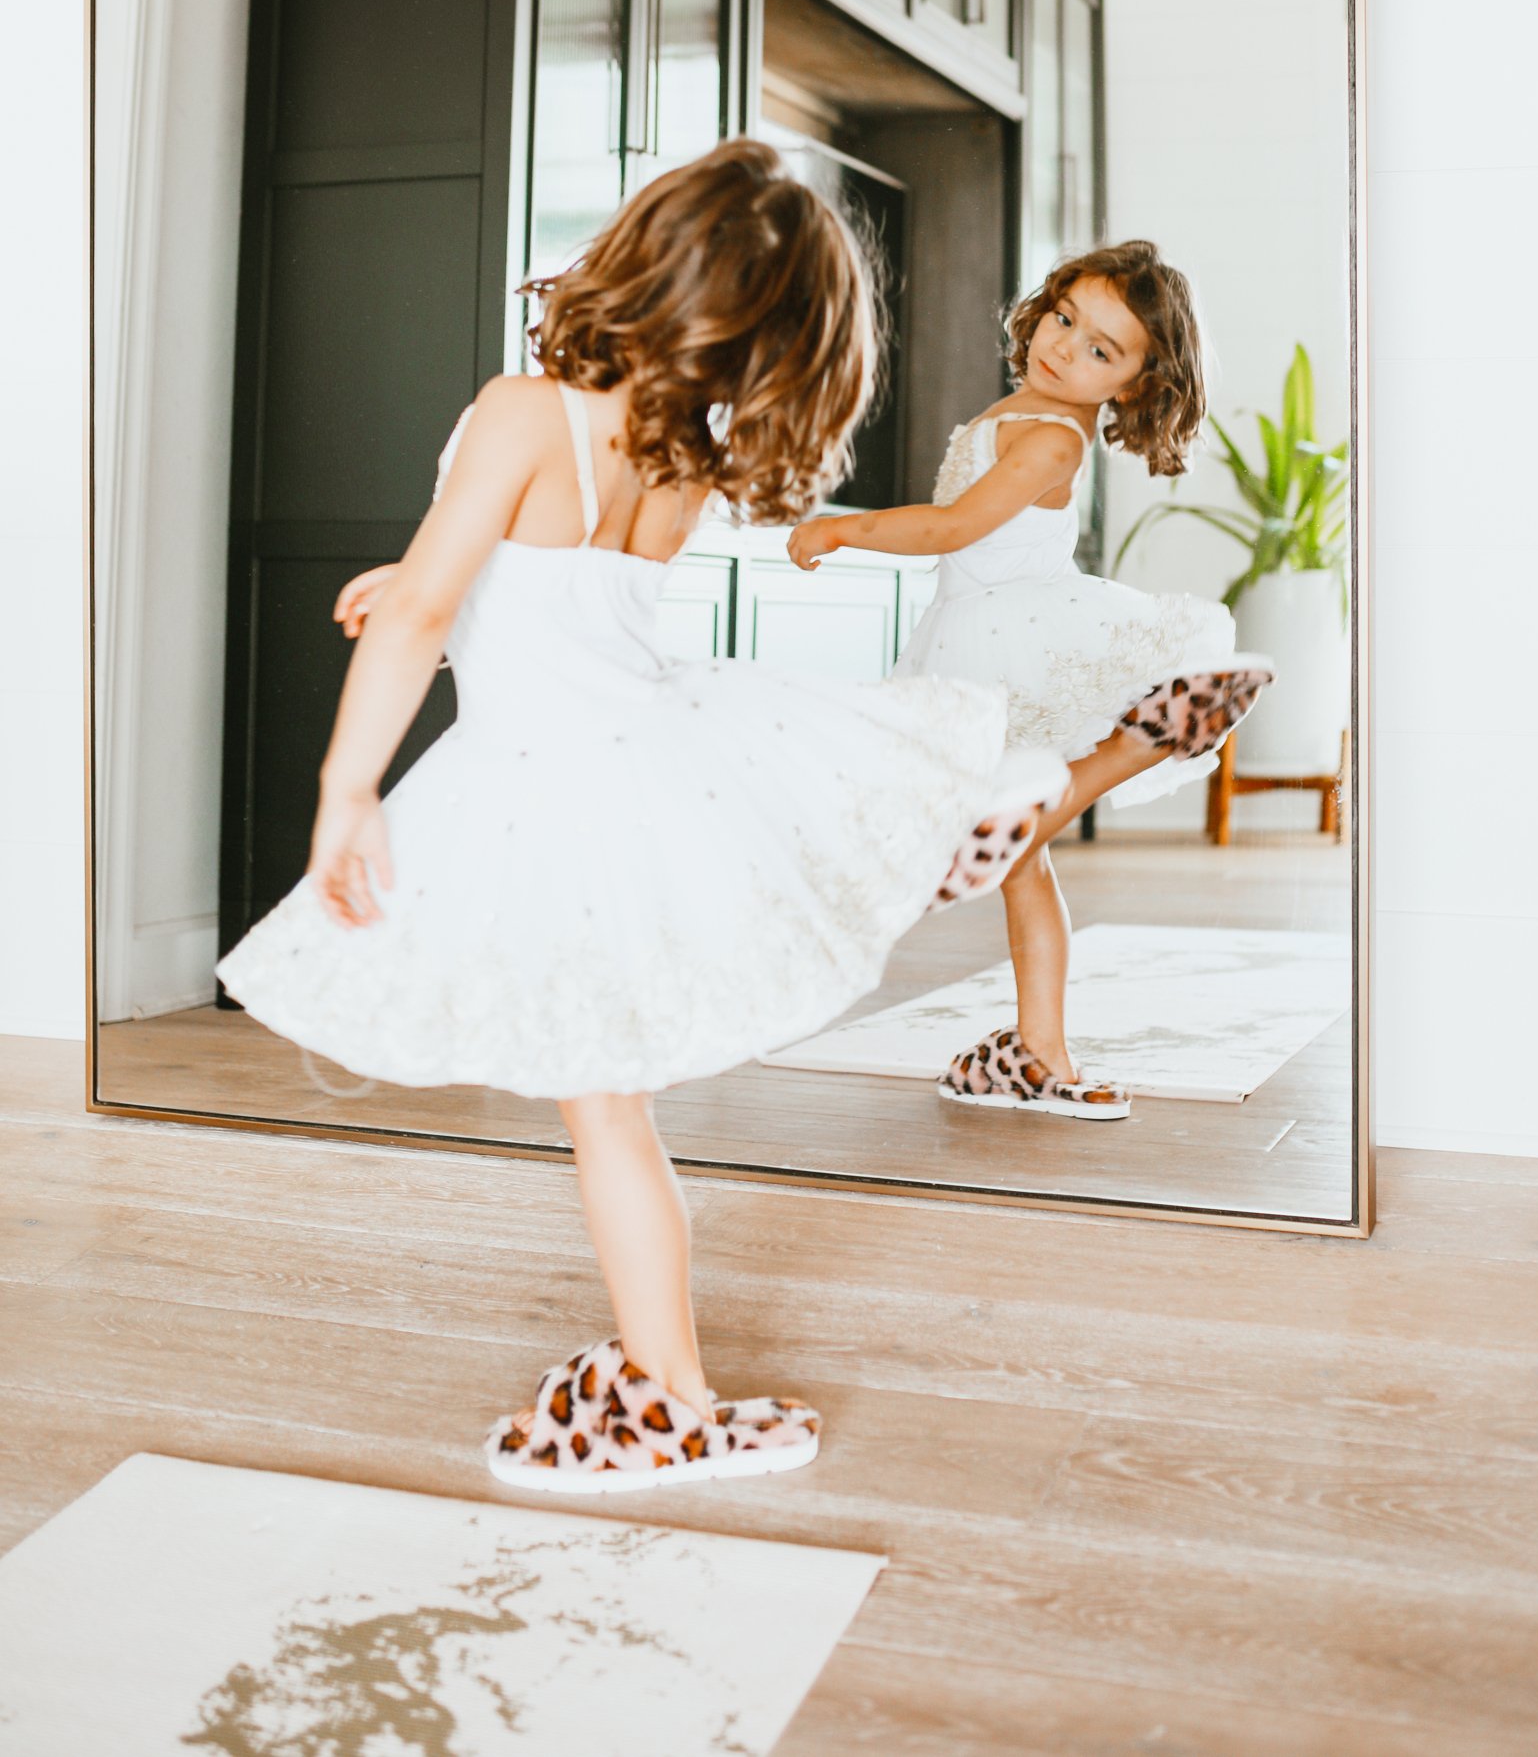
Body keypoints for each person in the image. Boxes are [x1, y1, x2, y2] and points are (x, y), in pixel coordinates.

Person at [218, 141, 1062, 1495]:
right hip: (648, 750)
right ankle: (669, 1383)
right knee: (610, 1109)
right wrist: (426, 579)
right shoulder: (681, 450)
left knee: (606, 1110)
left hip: (551, 783)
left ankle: (670, 1398)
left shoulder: (520, 406)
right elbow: (548, 596)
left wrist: (347, 789)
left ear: (644, 246)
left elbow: (452, 609)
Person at [789, 241, 1272, 1122]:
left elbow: (951, 529)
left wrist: (839, 532)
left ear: (1131, 383)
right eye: (1064, 320)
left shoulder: (1049, 437)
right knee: (1024, 868)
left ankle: (1139, 739)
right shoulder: (1034, 409)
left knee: (976, 835)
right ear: (1042, 305)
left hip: (1004, 633)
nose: (1065, 349)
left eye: (1101, 351)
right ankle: (1035, 1053)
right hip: (984, 627)